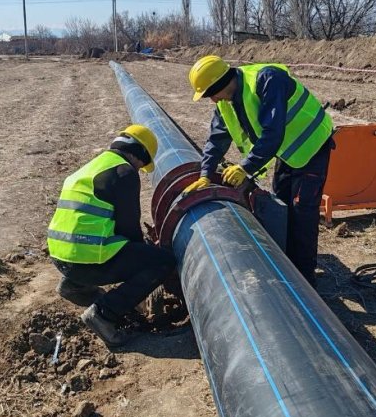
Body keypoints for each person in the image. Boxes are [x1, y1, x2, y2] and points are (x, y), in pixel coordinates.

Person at [184, 56, 334, 288]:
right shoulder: (225, 102)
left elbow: (273, 133)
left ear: (220, 84)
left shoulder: (267, 79)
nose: (211, 99)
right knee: (282, 205)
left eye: (209, 93)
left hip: (312, 145)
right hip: (289, 152)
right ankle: (287, 266)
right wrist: (205, 174)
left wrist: (245, 167)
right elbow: (216, 140)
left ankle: (305, 282)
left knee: (302, 212)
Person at [47, 124, 176, 346]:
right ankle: (103, 315)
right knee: (162, 262)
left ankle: (73, 285)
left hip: (61, 257)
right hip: (85, 263)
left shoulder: (92, 167)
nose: (140, 169)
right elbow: (128, 227)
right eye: (143, 164)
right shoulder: (124, 172)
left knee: (125, 252)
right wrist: (146, 252)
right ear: (140, 154)